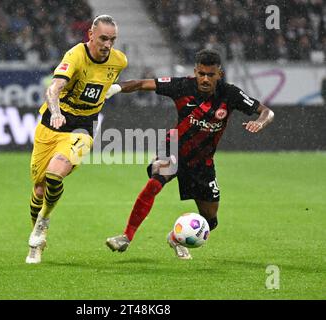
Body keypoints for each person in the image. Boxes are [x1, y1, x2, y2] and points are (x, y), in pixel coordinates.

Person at [105, 49, 274, 260]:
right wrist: (113, 88)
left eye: (210, 75)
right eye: (201, 73)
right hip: (174, 148)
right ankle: (126, 237)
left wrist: (260, 123)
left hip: (202, 162)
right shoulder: (182, 86)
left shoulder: (230, 94)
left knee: (210, 221)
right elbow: (141, 83)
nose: (204, 79)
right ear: (195, 71)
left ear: (219, 74)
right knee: (156, 181)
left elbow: (267, 112)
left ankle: (175, 238)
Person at [26, 15, 127, 264]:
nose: (107, 44)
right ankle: (37, 234)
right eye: (103, 38)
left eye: (112, 39)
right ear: (90, 35)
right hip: (52, 124)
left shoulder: (119, 61)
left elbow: (102, 84)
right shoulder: (75, 56)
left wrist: (109, 92)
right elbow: (54, 88)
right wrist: (57, 112)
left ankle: (43, 223)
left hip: (83, 128)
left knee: (55, 173)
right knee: (39, 188)